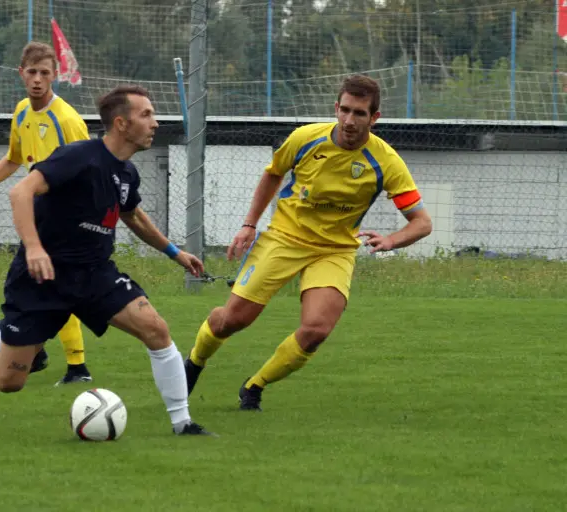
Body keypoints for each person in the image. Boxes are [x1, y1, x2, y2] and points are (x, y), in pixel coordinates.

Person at [0, 84, 216, 436]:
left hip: (94, 275)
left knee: (156, 329)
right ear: (121, 123)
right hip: (42, 278)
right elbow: (20, 192)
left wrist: (175, 252)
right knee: (8, 381)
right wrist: (34, 248)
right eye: (146, 114)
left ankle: (183, 423)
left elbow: (133, 216)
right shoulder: (78, 157)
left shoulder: (127, 172)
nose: (155, 123)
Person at [184, 74, 433, 411]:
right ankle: (195, 361)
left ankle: (254, 386)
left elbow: (422, 223)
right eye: (345, 110)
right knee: (233, 320)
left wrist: (391, 240)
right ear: (336, 108)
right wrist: (249, 225)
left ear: (374, 118)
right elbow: (273, 173)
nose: (349, 120)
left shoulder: (386, 162)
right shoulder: (306, 138)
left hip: (335, 251)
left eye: (359, 113)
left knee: (316, 329)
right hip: (284, 238)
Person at [0, 41, 92, 386]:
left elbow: (89, 169)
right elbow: (14, 157)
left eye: (44, 73)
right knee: (54, 287)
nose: (37, 79)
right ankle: (60, 359)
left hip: (66, 218)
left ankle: (52, 355)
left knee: (55, 287)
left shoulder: (67, 120)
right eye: (31, 72)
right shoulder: (22, 112)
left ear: (55, 75)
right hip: (40, 219)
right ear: (21, 73)